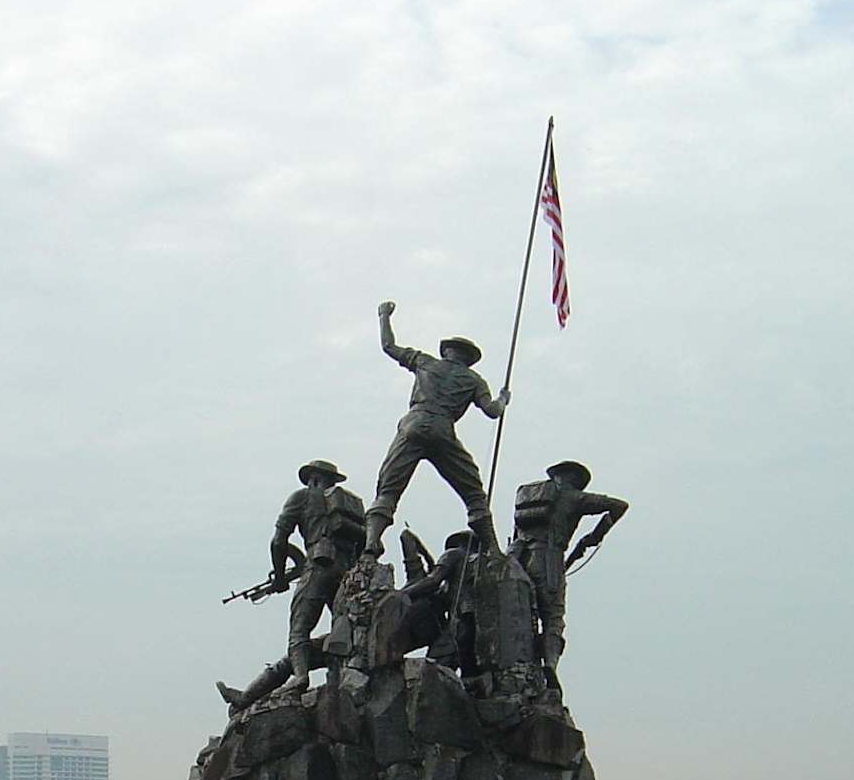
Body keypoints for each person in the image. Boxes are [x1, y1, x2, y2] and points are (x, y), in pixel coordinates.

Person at [363, 301, 508, 558]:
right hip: (443, 430)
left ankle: (371, 542)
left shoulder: (425, 362)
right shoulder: (475, 380)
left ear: (447, 351)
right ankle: (493, 549)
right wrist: (503, 399)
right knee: (474, 492)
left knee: (388, 489)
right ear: (469, 359)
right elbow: (492, 411)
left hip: (413, 424)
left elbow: (388, 346)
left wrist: (384, 316)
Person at [218, 460, 369, 706]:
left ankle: (300, 677)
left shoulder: (301, 497)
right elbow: (364, 541)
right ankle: (340, 678)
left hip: (319, 564)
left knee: (299, 630)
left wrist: (279, 576)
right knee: (342, 631)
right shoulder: (348, 505)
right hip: (347, 572)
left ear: (313, 478)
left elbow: (278, 541)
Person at [508, 460, 629, 666]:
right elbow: (619, 506)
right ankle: (550, 664)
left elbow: (516, 533)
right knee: (553, 618)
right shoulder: (573, 497)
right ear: (575, 478)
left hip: (516, 560)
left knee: (521, 611)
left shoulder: (529, 497)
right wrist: (594, 536)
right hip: (548, 560)